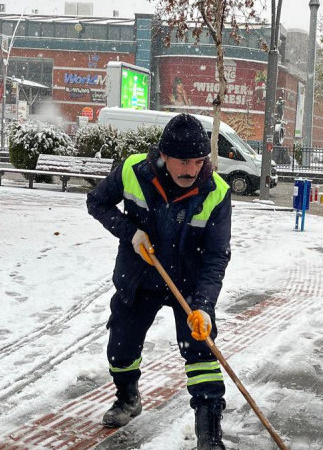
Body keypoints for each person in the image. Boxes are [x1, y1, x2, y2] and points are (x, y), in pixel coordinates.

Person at [86, 113, 231, 450]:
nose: (191, 170)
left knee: (201, 352)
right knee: (120, 349)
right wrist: (130, 232)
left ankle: (209, 433)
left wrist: (204, 306)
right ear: (164, 155)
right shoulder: (133, 171)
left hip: (190, 286)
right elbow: (97, 202)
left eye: (199, 161)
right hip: (139, 277)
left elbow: (216, 256)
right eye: (183, 161)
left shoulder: (216, 192)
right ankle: (127, 397)